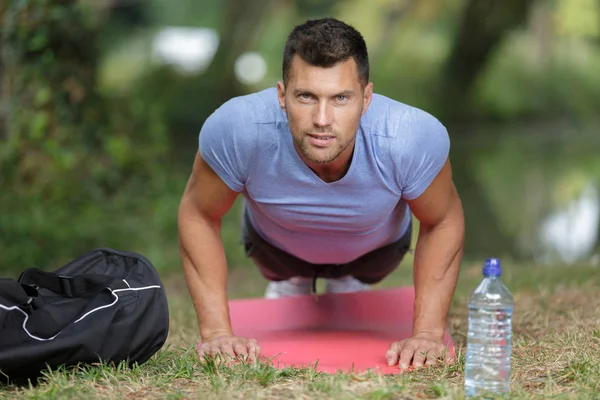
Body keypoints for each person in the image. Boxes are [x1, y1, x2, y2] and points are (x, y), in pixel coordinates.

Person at [177, 17, 465, 370]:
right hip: (277, 252)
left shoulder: (409, 137)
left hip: (374, 255)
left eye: (341, 98)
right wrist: (217, 332)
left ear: (367, 97)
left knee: (358, 276)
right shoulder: (237, 129)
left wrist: (428, 334)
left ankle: (348, 284)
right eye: (306, 97)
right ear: (282, 96)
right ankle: (294, 284)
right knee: (286, 274)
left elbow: (443, 219)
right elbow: (198, 213)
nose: (322, 119)